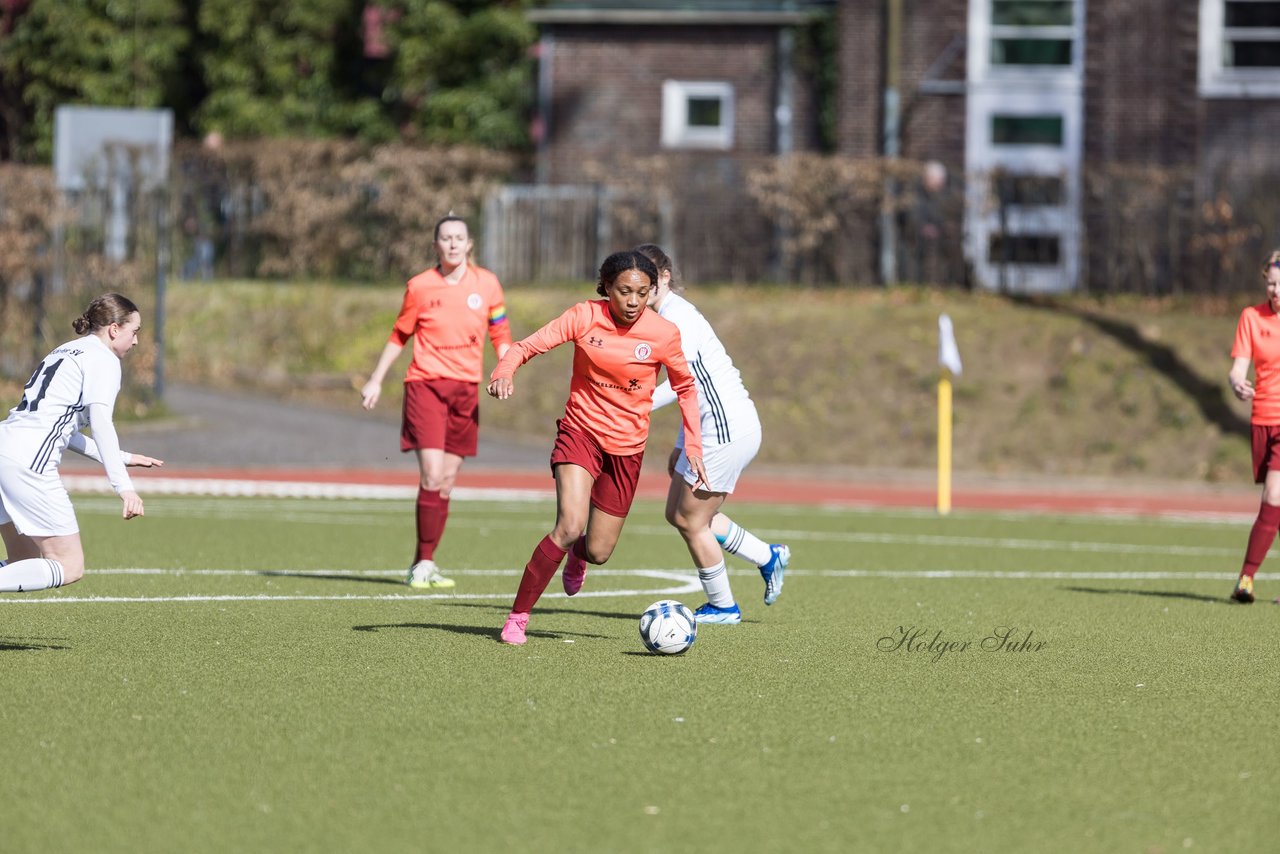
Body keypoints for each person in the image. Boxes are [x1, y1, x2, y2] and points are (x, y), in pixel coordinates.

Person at [487, 250, 708, 645]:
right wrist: (505, 370)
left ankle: (579, 556)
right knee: (570, 526)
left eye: (643, 293)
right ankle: (518, 617)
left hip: (627, 450)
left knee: (599, 550)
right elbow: (524, 347)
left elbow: (685, 388)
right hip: (581, 432)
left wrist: (694, 444)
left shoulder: (663, 333)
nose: (633, 302)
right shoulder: (584, 316)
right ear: (606, 287)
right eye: (624, 292)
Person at [636, 243, 790, 624]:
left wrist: (634, 405)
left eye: (645, 284)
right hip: (711, 428)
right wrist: (680, 443)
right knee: (679, 513)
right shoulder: (666, 317)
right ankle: (768, 557)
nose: (638, 293)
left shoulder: (678, 319)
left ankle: (723, 606)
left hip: (725, 431)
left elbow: (679, 383)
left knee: (692, 520)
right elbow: (693, 389)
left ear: (665, 278)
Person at [361, 215, 512, 589]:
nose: (453, 244)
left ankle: (423, 561)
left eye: (459, 238)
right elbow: (399, 335)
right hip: (425, 386)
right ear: (436, 246)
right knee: (430, 473)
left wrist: (506, 369)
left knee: (446, 481)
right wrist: (376, 379)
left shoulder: (488, 284)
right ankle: (423, 563)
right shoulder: (419, 287)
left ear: (469, 243)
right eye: (446, 238)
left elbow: (501, 332)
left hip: (466, 390)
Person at [0, 293, 164, 593]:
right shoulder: (104, 360)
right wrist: (123, 486)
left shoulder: (65, 350)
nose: (137, 341)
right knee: (69, 565)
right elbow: (101, 424)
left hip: (5, 445)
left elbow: (62, 428)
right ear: (114, 329)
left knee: (22, 560)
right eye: (135, 331)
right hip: (28, 462)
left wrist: (122, 456)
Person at [1228, 250, 1280, 603]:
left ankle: (1247, 577)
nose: (1275, 290)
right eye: (1272, 284)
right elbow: (1238, 368)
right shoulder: (1251, 317)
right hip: (1262, 418)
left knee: (1274, 494)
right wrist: (1236, 382)